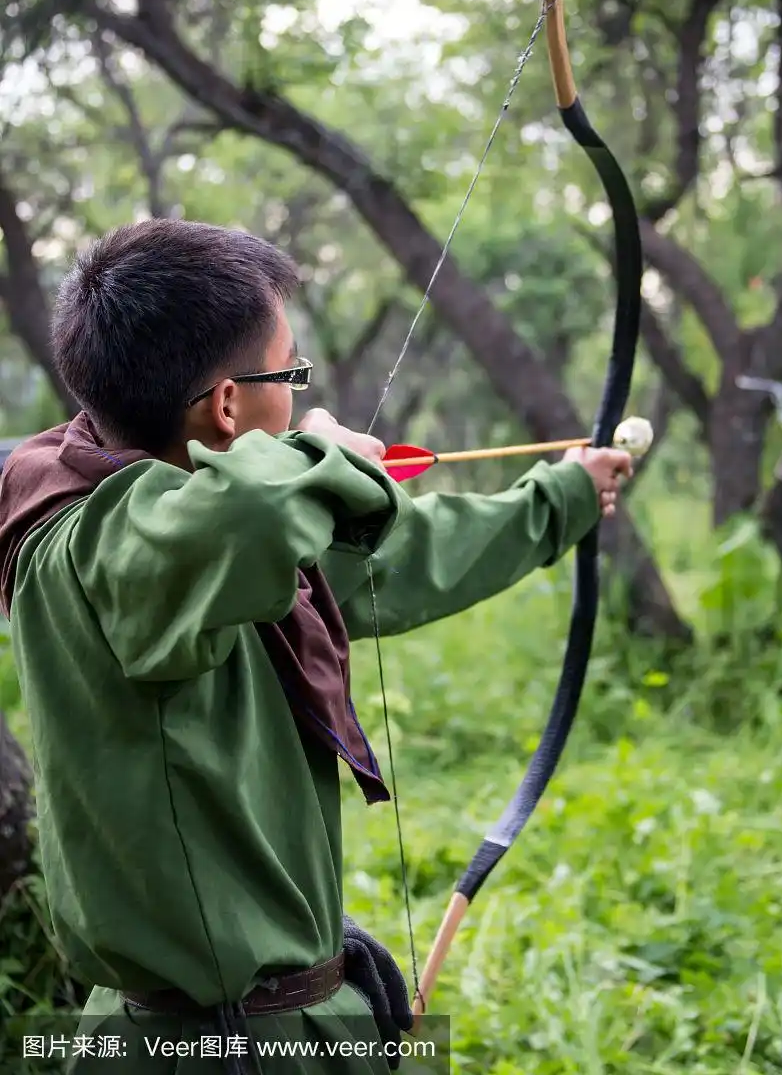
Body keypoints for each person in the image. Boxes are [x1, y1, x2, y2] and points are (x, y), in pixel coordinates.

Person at [0, 219, 632, 1074]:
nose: (299, 396)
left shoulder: (214, 537)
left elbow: (401, 555)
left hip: (277, 1026)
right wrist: (320, 456)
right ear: (228, 405)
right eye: (288, 374)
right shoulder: (98, 546)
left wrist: (563, 497)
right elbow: (258, 511)